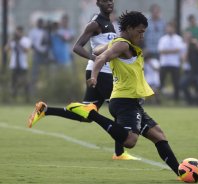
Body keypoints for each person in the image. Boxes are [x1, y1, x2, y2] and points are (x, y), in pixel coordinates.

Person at [66, 11, 180, 177]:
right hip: (124, 101)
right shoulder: (123, 45)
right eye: (140, 32)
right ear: (128, 28)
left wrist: (102, 47)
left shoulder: (120, 43)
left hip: (132, 102)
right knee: (130, 141)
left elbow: (98, 50)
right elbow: (100, 58)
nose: (142, 36)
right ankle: (91, 113)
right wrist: (94, 77)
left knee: (159, 135)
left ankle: (180, 172)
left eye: (144, 32)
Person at [28, 0, 138, 161]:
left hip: (106, 73)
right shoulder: (95, 24)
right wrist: (96, 58)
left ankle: (45, 110)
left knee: (85, 116)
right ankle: (119, 152)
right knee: (118, 108)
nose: (109, 3)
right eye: (105, 1)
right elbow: (77, 47)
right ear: (98, 3)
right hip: (99, 73)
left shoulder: (112, 23)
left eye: (111, 1)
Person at [158, 22, 184, 103]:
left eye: (171, 28)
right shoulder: (163, 39)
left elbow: (179, 50)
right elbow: (161, 51)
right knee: (161, 82)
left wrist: (167, 51)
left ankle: (176, 99)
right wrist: (173, 50)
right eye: (168, 28)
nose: (170, 29)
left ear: (174, 29)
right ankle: (159, 99)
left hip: (174, 64)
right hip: (164, 63)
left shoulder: (178, 39)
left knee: (176, 83)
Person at [5, 26, 31, 102]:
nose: (17, 34)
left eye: (18, 32)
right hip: (14, 65)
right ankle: (13, 98)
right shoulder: (13, 41)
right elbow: (6, 49)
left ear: (21, 32)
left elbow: (26, 50)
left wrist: (19, 43)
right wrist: (10, 41)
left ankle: (27, 98)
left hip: (23, 65)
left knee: (25, 82)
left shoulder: (25, 40)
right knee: (13, 83)